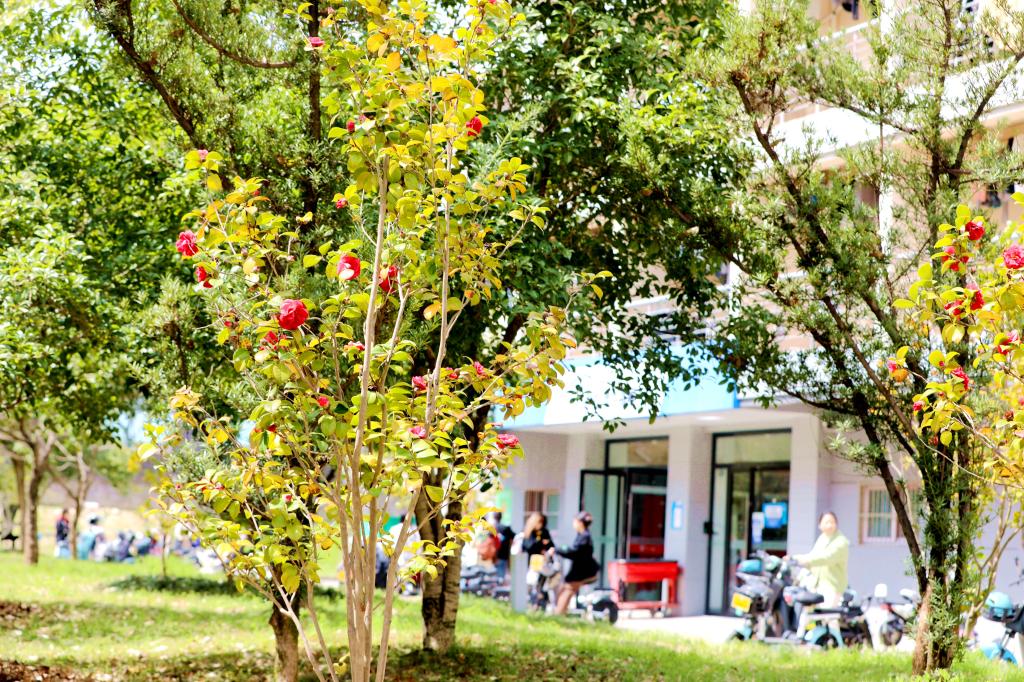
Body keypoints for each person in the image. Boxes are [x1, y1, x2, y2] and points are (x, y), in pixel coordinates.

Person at [791, 511, 849, 607]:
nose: (830, 525)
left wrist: (801, 558)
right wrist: (796, 561)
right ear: (820, 525)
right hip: (815, 586)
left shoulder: (841, 541)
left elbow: (826, 558)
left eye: (832, 522)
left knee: (827, 614)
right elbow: (813, 556)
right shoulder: (822, 538)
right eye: (826, 522)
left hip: (832, 588)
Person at [550, 511, 600, 615]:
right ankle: (559, 613)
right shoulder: (582, 535)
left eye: (575, 521)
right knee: (563, 589)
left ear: (580, 523)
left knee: (567, 590)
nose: (573, 524)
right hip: (578, 571)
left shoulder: (584, 537)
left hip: (581, 572)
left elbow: (574, 552)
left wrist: (558, 550)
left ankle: (559, 615)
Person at [519, 512, 553, 608]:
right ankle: (531, 603)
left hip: (542, 562)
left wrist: (548, 548)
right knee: (531, 583)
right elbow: (528, 546)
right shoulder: (528, 532)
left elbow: (550, 544)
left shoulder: (544, 531)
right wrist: (540, 543)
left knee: (540, 585)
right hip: (530, 562)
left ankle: (539, 604)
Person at [487, 511, 516, 581]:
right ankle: (500, 583)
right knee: (501, 573)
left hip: (494, 554)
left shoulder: (492, 528)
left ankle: (497, 583)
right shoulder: (506, 528)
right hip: (504, 554)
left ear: (494, 517)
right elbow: (514, 536)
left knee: (495, 572)